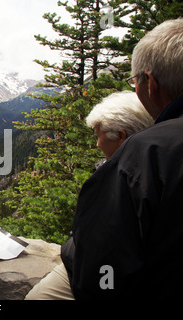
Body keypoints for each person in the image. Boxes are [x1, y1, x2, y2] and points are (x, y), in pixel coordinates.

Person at [64, 18, 182, 299]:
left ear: (151, 83)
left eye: (135, 80)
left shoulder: (144, 154)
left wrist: (70, 247)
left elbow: (101, 268)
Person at [25, 91, 153, 300]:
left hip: (104, 274)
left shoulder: (130, 179)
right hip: (88, 266)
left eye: (98, 135)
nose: (97, 144)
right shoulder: (122, 167)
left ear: (120, 136)